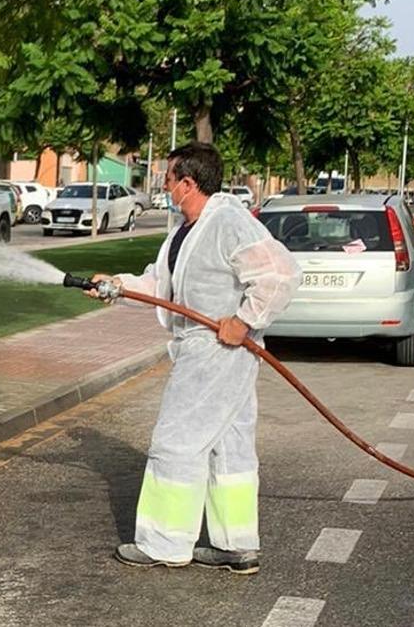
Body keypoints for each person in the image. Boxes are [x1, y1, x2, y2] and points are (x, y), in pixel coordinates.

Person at [87, 142, 301, 575]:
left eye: (167, 179)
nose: (163, 186)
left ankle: (164, 542)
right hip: (211, 352)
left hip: (216, 352)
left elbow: (281, 274)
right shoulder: (187, 228)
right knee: (229, 447)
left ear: (187, 183)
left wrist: (243, 320)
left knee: (176, 441)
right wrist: (116, 285)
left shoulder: (227, 222)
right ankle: (235, 545)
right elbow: (159, 284)